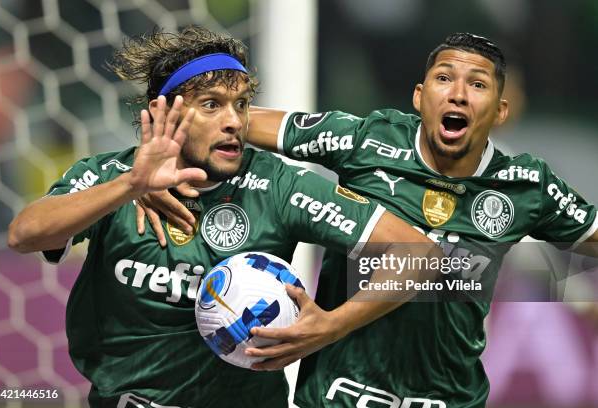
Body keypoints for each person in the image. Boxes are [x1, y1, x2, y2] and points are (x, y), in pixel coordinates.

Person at [146, 33, 598, 407]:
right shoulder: (367, 140)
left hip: (447, 397)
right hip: (339, 393)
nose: (458, 92)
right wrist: (159, 156)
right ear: (420, 97)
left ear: (500, 110)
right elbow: (227, 121)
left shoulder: (527, 184)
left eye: (477, 84)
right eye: (444, 78)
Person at [7, 26, 437, 408]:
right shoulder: (109, 178)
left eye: (242, 104)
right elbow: (24, 235)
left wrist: (330, 326)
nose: (234, 121)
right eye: (211, 105)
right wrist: (130, 187)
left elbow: (419, 252)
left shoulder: (280, 186)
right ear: (163, 112)